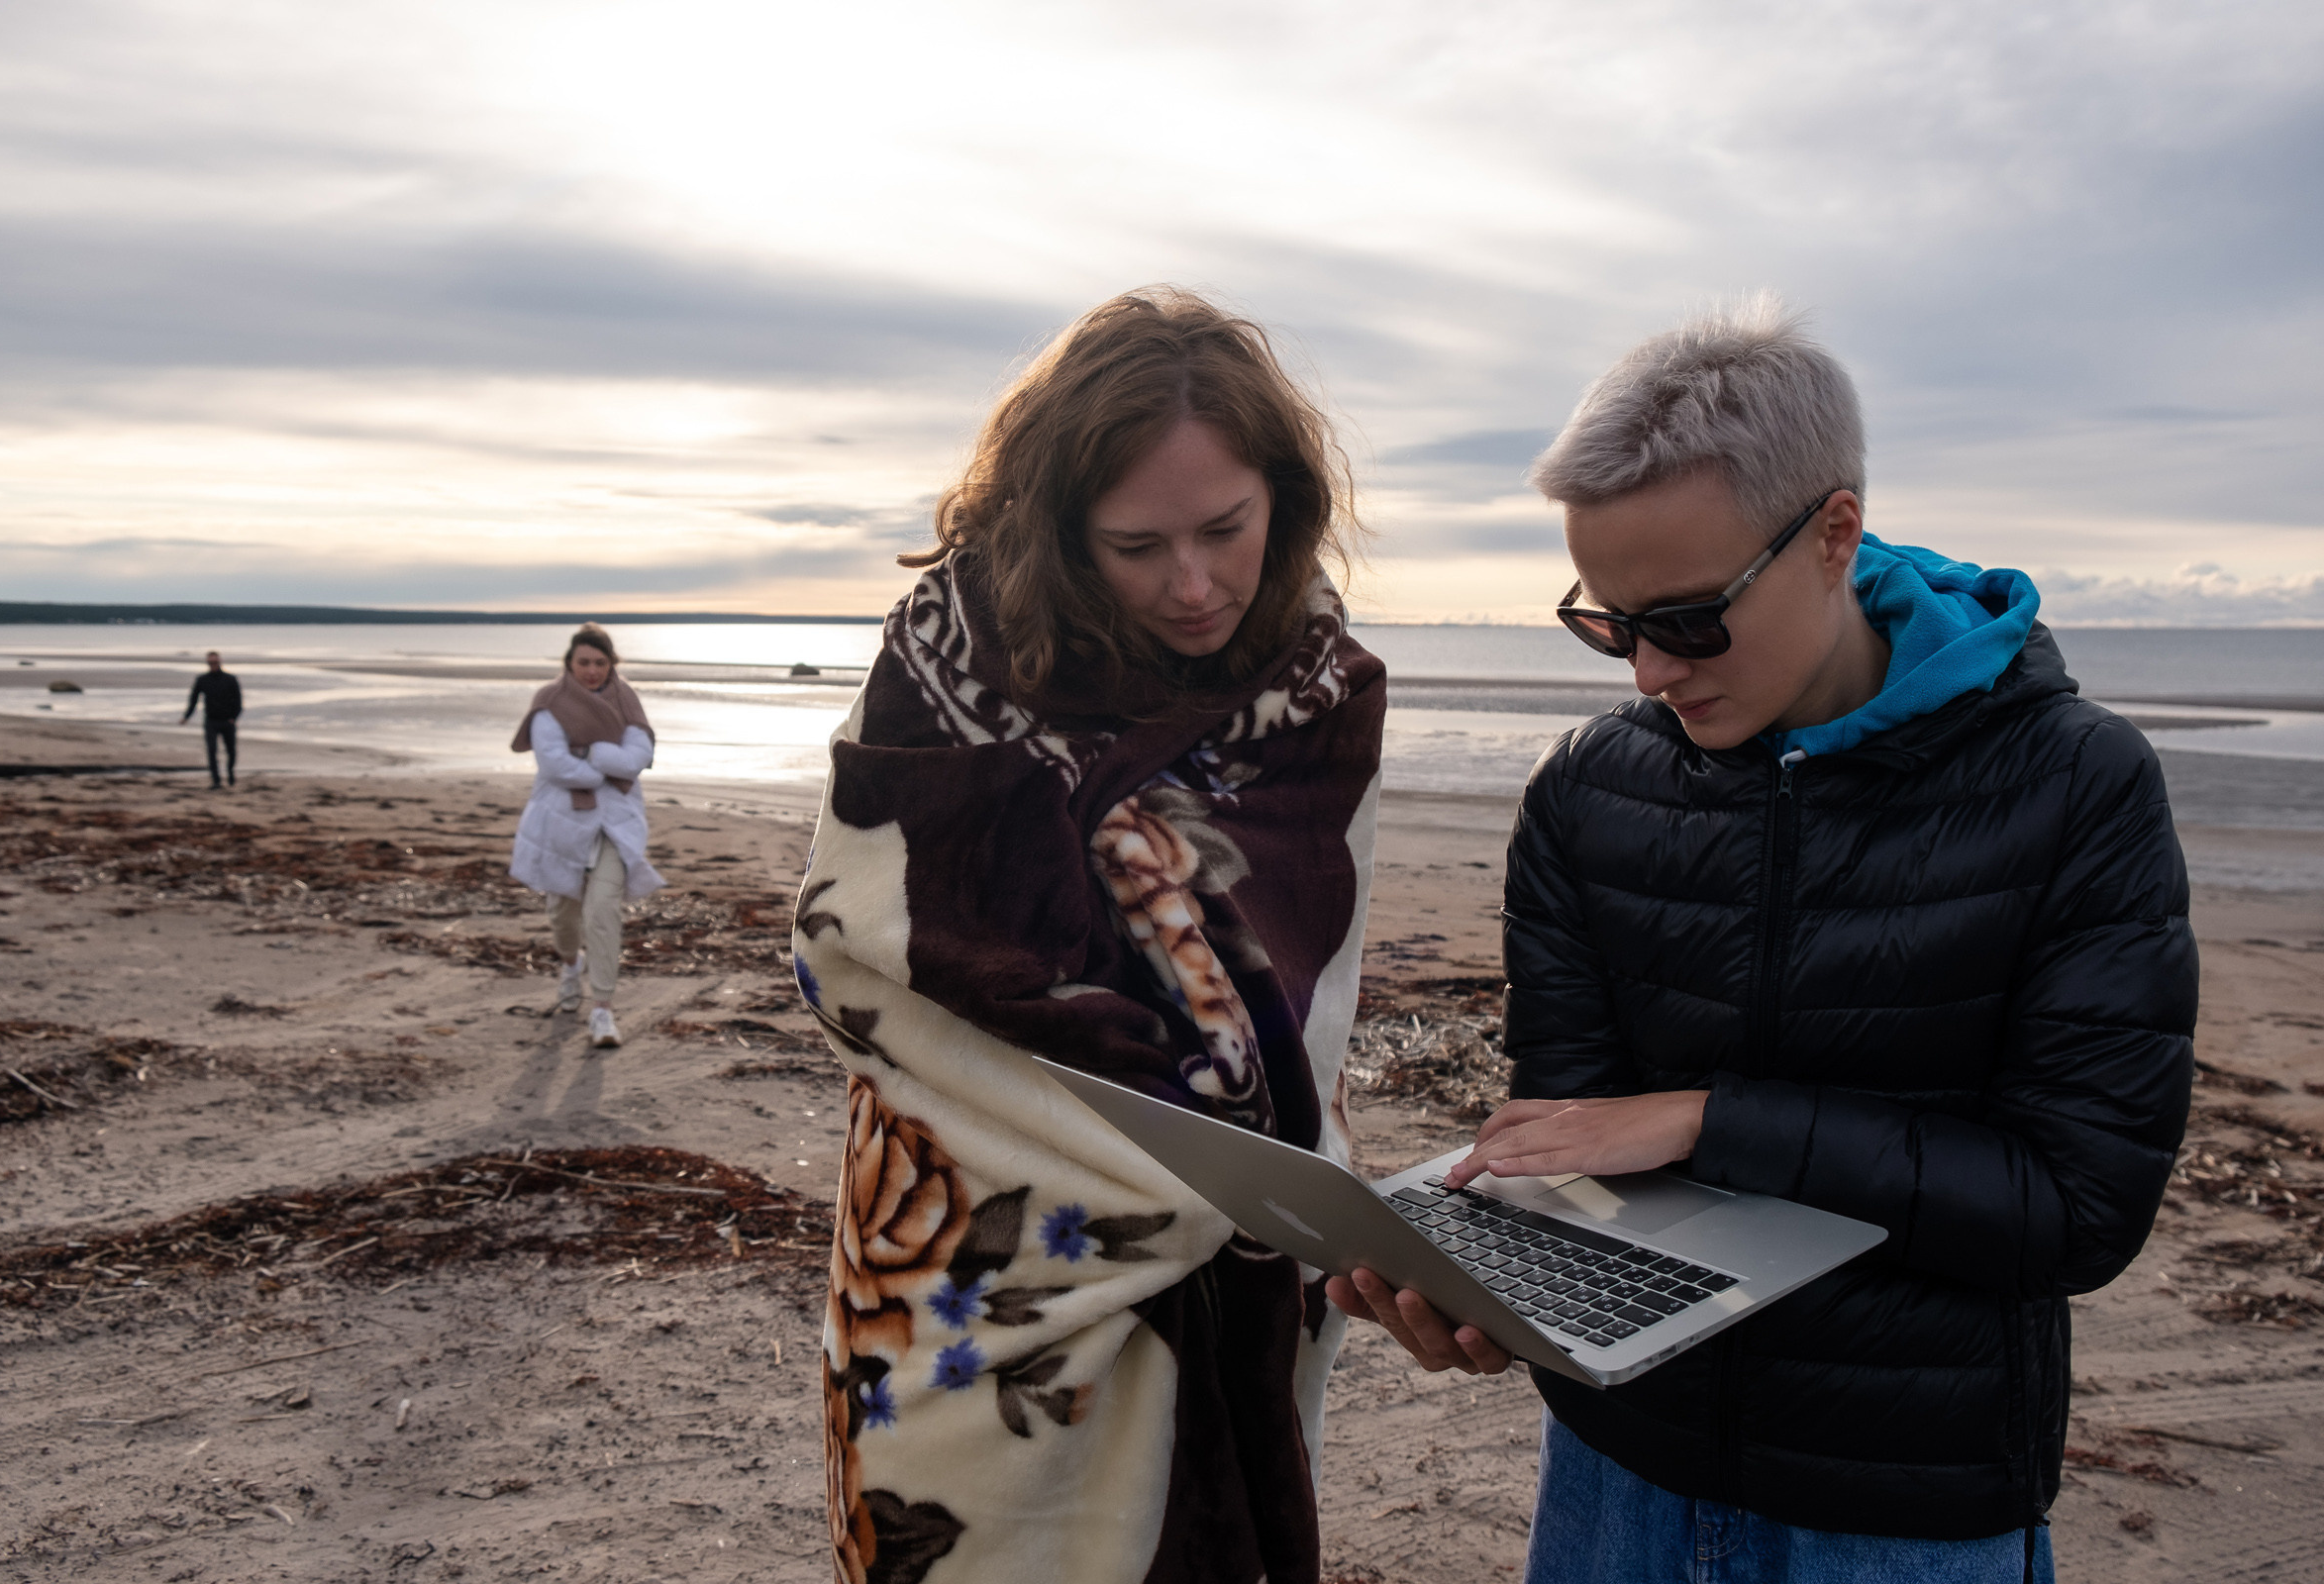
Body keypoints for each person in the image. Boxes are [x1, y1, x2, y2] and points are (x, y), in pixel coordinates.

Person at [1329, 299, 2195, 1583]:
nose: (1646, 676)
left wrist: (1706, 1120)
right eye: (1607, 623)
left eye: (1684, 619)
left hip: (1907, 1511)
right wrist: (1493, 1285)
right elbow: (1569, 1141)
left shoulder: (2074, 785)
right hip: (1615, 1476)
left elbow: (2077, 1211)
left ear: (1833, 533)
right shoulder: (1583, 793)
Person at [792, 288, 1383, 1584]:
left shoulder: (1322, 695)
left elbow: (1311, 983)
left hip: (1251, 1263)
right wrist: (1184, 1149)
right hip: (974, 1267)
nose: (1193, 582)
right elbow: (865, 950)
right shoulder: (945, 668)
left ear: (1283, 495)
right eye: (1137, 545)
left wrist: (1267, 1162)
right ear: (1062, 532)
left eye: (1227, 530)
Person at [510, 623, 663, 1049]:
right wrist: (607, 767)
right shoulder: (549, 702)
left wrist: (590, 752)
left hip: (615, 823)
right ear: (569, 664)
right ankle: (568, 964)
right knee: (562, 914)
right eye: (584, 662)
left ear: (612, 664)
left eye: (600, 662)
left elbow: (639, 757)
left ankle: (602, 1011)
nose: (592, 671)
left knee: (601, 913)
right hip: (562, 822)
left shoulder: (626, 698)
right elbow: (554, 764)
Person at [180, 650, 243, 788]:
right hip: (211, 721)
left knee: (231, 751)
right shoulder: (202, 680)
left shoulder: (230, 679)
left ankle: (230, 773)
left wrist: (234, 717)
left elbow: (238, 701)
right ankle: (216, 781)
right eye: (210, 662)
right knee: (211, 751)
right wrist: (186, 717)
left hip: (228, 721)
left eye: (215, 662)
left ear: (219, 662)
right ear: (207, 663)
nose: (213, 664)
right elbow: (194, 700)